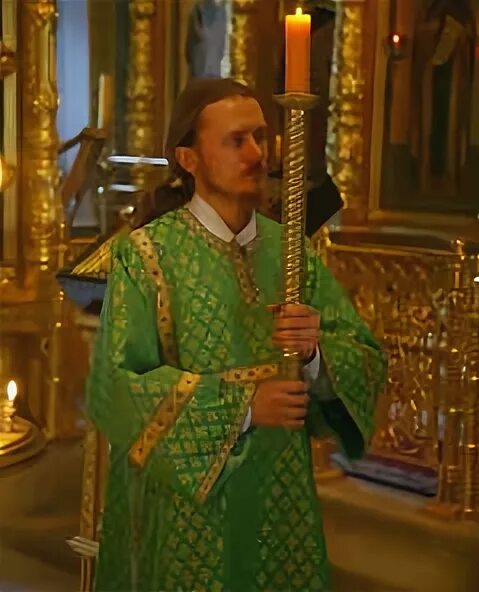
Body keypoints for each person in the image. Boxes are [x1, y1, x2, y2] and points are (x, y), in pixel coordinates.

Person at [86, 78, 386, 592]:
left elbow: (365, 359)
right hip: (190, 506)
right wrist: (243, 407)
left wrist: (313, 354)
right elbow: (117, 387)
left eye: (261, 137)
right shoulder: (146, 255)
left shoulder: (291, 252)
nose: (256, 154)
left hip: (280, 493)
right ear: (189, 159)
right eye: (236, 140)